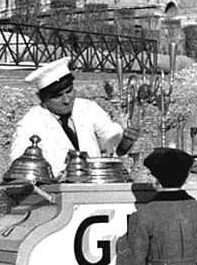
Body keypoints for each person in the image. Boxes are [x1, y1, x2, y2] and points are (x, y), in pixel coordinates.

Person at [10, 57, 139, 178]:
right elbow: (19, 166)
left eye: (69, 91)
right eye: (58, 96)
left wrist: (125, 141)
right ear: (43, 99)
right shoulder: (30, 123)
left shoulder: (87, 108)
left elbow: (113, 140)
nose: (67, 100)